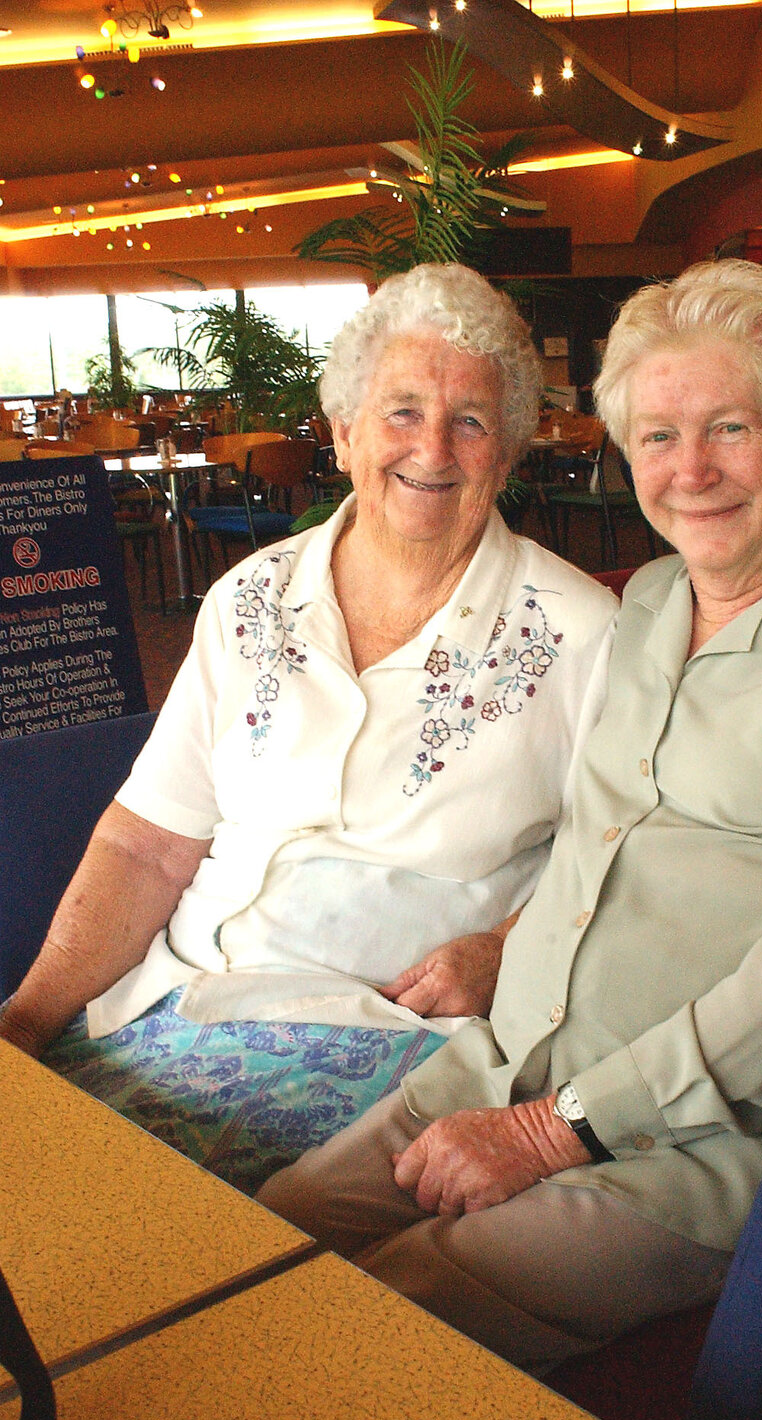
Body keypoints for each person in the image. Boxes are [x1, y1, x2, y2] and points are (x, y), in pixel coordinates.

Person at [256, 259, 762, 1373]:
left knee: (386, 1314)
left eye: (730, 427)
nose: (688, 471)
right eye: (654, 437)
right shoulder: (647, 604)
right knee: (269, 1232)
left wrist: (556, 1130)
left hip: (711, 1137)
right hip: (512, 1062)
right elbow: (592, 849)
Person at [0, 264, 617, 1189]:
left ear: (511, 448)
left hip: (385, 1034)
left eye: (472, 421)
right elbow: (145, 847)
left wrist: (511, 947)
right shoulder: (246, 598)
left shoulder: (582, 634)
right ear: (342, 430)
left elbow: (629, 857)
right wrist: (24, 1020)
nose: (433, 449)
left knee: (128, 1215)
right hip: (172, 1001)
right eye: (401, 411)